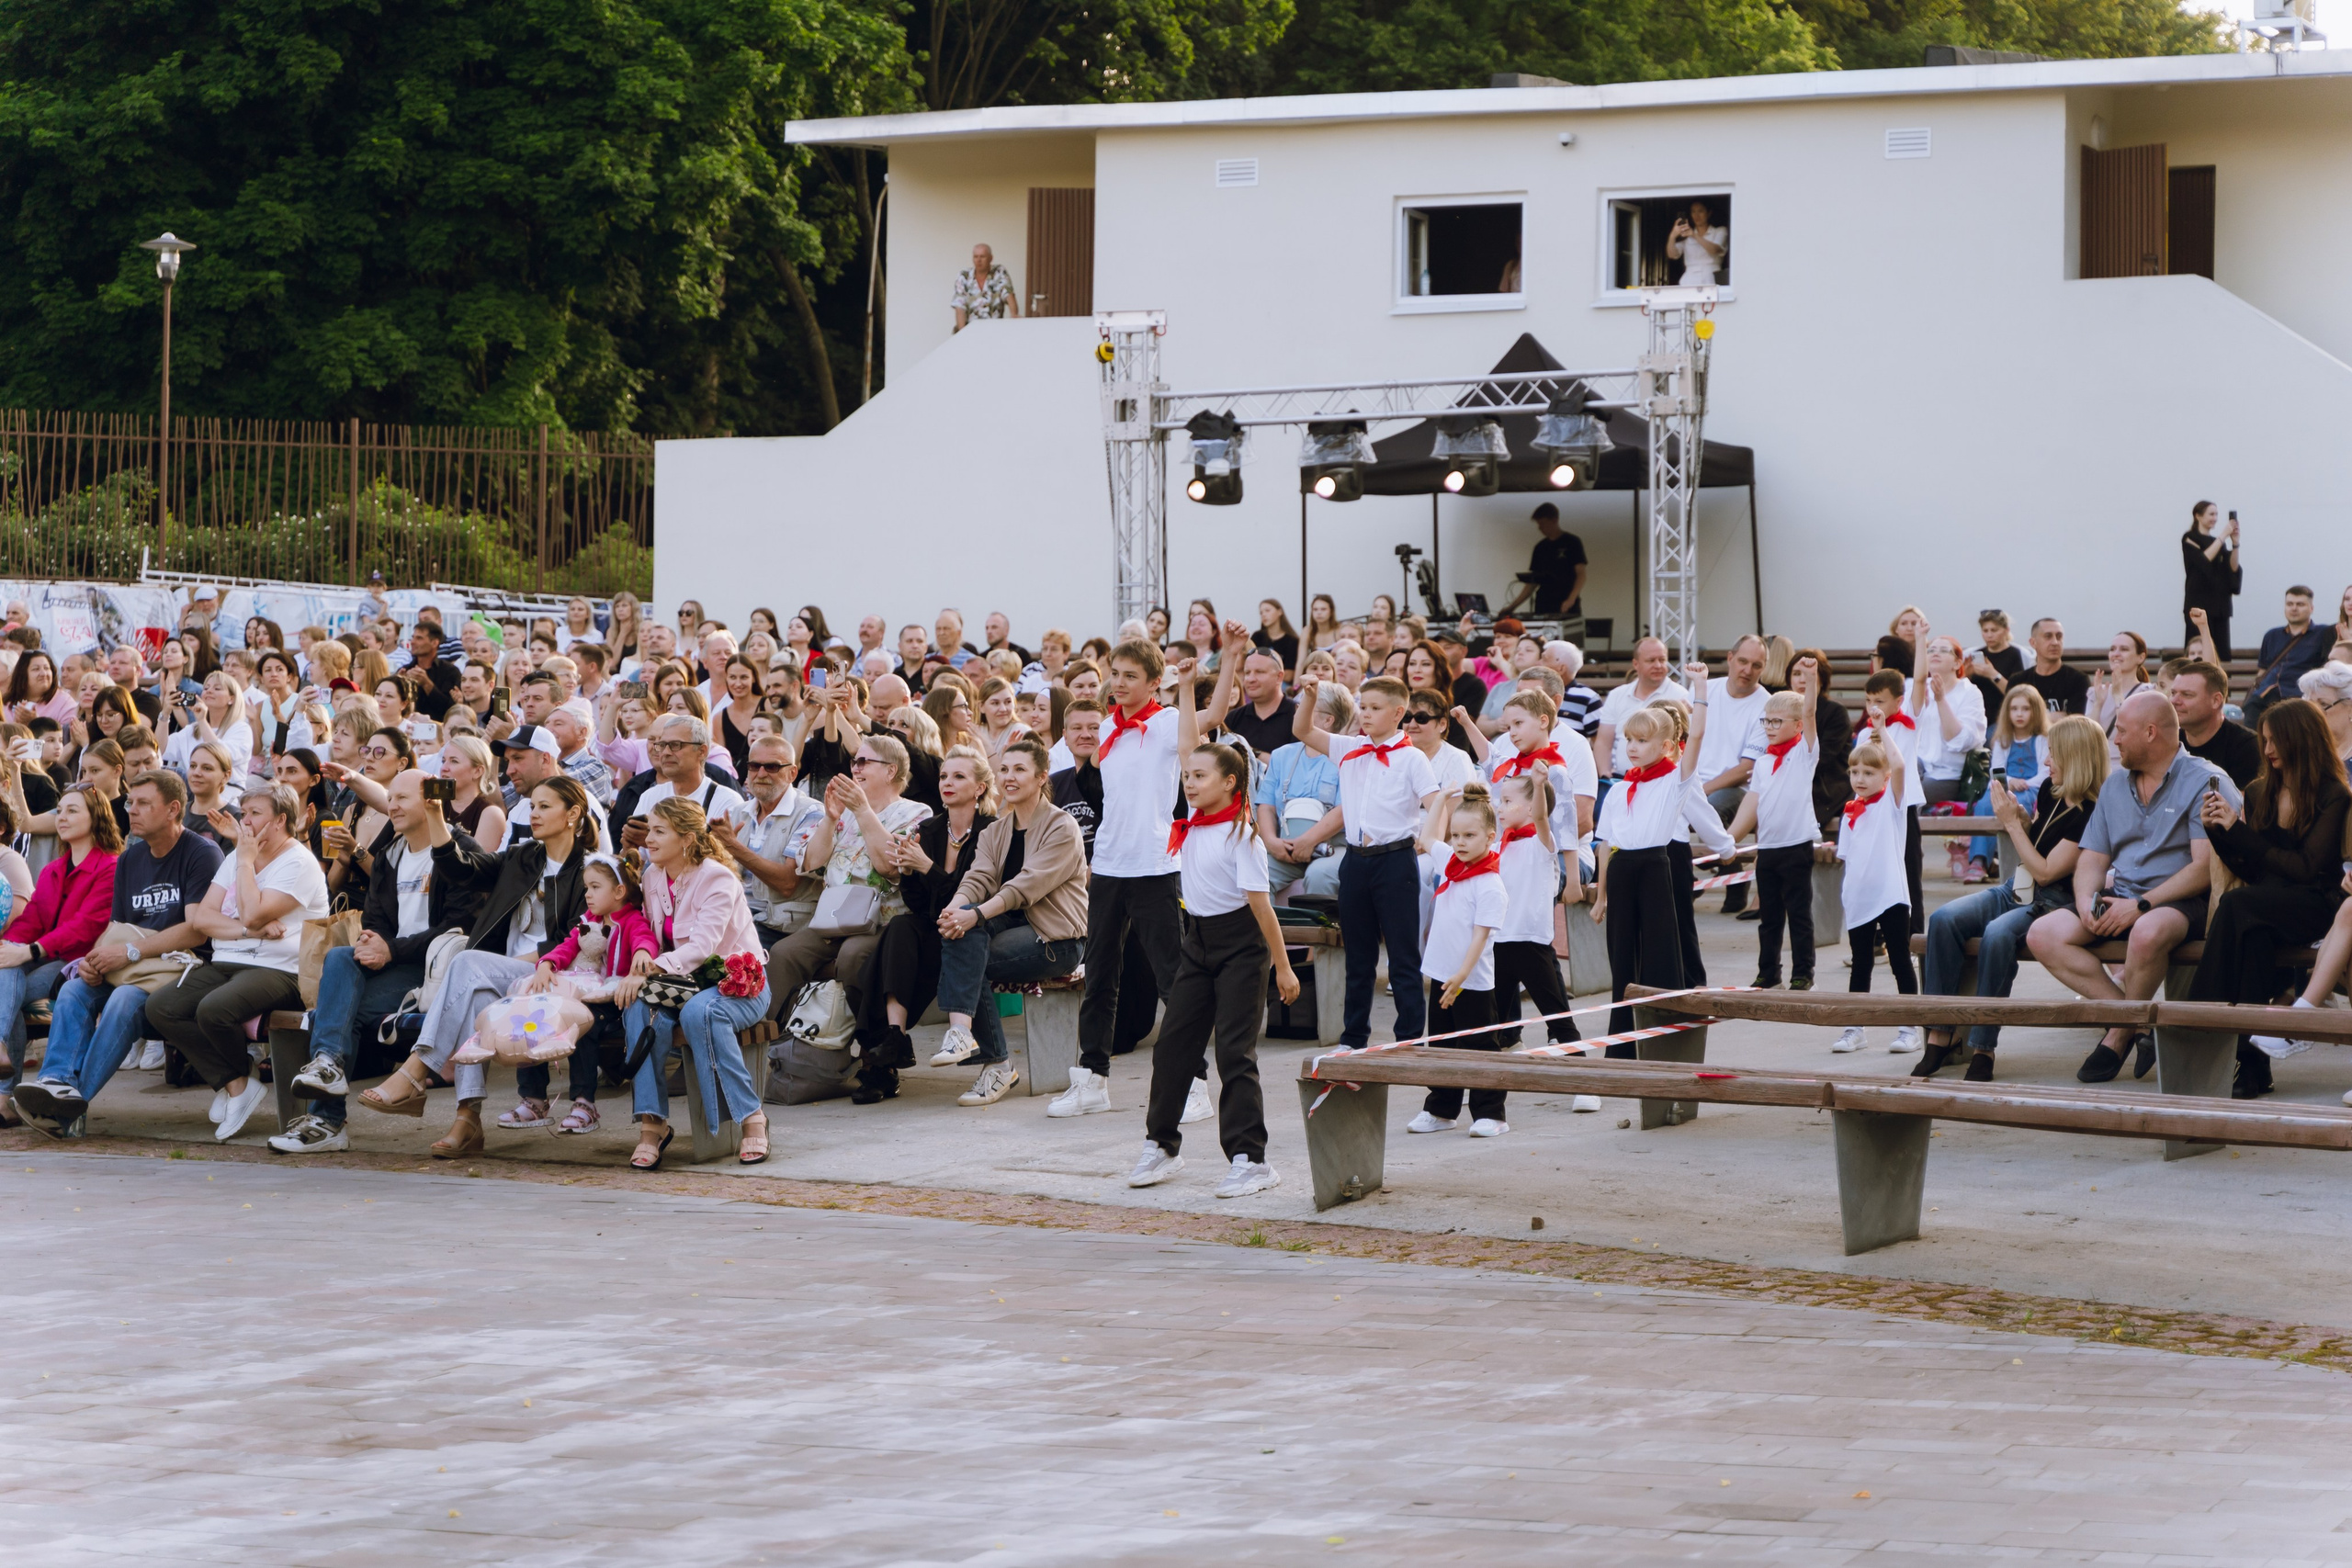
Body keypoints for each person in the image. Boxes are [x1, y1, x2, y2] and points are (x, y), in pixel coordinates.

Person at [358, 776, 599, 1154]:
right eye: (532, 806)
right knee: (474, 996)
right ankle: (467, 1121)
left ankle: (416, 1069)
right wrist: (436, 815)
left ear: (572, 814)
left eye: (544, 806)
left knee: (469, 962)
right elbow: (462, 869)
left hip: (551, 976)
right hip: (506, 976)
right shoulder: (523, 857)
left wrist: (500, 965)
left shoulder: (588, 869)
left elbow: (575, 938)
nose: (533, 814)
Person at [1124, 671, 1295, 1194]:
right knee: (1173, 1047)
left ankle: (1251, 1159)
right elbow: (1186, 744)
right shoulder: (1193, 821)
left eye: (1200, 776)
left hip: (1242, 947)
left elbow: (1263, 910)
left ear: (1231, 784)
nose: (1190, 782)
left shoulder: (1243, 837)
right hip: (1197, 943)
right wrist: (1183, 687)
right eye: (1187, 776)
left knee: (1234, 1054)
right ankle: (1160, 1146)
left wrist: (1283, 967)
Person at [273, 771, 497, 1153]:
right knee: (341, 956)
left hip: (436, 974)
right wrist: (369, 943)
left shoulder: (461, 851)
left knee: (338, 1011)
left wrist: (391, 949)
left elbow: (460, 926)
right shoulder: (390, 855)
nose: (392, 805)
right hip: (390, 968)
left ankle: (327, 1119)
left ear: (431, 802)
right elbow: (375, 920)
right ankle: (327, 1067)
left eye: (402, 798)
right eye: (390, 797)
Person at [2027, 690, 2236, 1083]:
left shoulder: (2206, 781)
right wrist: (2086, 901)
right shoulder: (2114, 785)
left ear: (2151, 732)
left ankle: (2119, 1032)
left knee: (2146, 931)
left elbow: (2203, 869)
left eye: (2121, 731)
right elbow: (2092, 857)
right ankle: (2138, 1022)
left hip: (2183, 900)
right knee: (2043, 934)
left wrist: (2141, 905)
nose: (2115, 739)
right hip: (2122, 894)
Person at [7, 771, 220, 1134]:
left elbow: (195, 928)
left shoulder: (201, 852)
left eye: (143, 803)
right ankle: (55, 1081)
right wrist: (95, 961)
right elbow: (115, 927)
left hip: (180, 968)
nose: (131, 810)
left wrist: (129, 952)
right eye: (130, 802)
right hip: (131, 962)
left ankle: (71, 1106)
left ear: (173, 809)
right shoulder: (130, 859)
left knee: (123, 999)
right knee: (74, 990)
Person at [1915, 715, 2107, 1081]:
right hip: (2016, 887)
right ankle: (1941, 1034)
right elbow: (2039, 843)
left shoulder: (2090, 813)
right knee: (1942, 919)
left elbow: (2047, 872)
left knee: (1998, 934)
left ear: (2076, 757)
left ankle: (1983, 1047)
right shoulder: (2052, 792)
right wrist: (2024, 820)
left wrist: (2010, 824)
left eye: (2053, 754)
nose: (2046, 761)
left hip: (2049, 904)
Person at [142, 784, 331, 1141]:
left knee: (214, 1009)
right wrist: (247, 931)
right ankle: (237, 1082)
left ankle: (236, 1085)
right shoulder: (236, 858)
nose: (245, 822)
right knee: (161, 1007)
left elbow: (255, 911)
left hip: (281, 969)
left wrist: (245, 863)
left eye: (255, 814)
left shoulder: (298, 862)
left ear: (281, 820)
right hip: (228, 960)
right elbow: (203, 919)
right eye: (244, 813)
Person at [2185, 700, 2349, 1098]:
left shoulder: (2333, 794)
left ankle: (2198, 1013)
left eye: (2276, 739)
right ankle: (2252, 1066)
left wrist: (2240, 833)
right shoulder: (2260, 791)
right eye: (2264, 739)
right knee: (2253, 937)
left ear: (2301, 739)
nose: (2269, 748)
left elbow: (2306, 868)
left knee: (2238, 906)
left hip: (2319, 904)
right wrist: (2220, 833)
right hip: (2268, 904)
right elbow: (2255, 869)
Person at [1058, 638, 1193, 1121]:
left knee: (1172, 979)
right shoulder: (1108, 726)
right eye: (1114, 673)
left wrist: (1195, 682)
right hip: (1109, 867)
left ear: (1155, 682)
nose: (1118, 683)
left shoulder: (1168, 721)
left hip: (1155, 865)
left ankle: (1194, 1083)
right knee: (1098, 976)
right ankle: (1092, 1079)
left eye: (1130, 675)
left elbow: (1208, 725)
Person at [922, 738, 1091, 1107]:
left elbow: (1025, 886)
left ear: (1041, 777)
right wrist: (955, 910)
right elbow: (977, 879)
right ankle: (963, 1036)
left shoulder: (1061, 827)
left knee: (971, 956)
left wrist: (975, 914)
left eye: (1019, 770)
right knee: (961, 933)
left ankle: (995, 1062)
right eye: (1003, 769)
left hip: (1056, 939)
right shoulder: (995, 831)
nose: (1008, 777)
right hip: (1009, 926)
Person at [617, 796, 773, 1168]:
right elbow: (652, 933)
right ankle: (653, 1124)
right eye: (650, 830)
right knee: (638, 1008)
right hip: (681, 984)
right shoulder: (652, 876)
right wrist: (643, 956)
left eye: (659, 832)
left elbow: (702, 948)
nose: (649, 840)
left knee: (701, 1013)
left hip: (738, 984)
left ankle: (752, 1117)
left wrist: (649, 968)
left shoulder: (716, 878)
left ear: (686, 839)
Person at [1294, 671, 1442, 1051]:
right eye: (1363, 706)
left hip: (1395, 861)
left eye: (1375, 708)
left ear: (1398, 713)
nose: (1366, 714)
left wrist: (1429, 840)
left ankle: (1409, 1039)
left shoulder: (1412, 758)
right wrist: (1310, 696)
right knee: (1358, 956)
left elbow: (1436, 803)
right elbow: (1302, 730)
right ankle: (1353, 1037)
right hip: (1355, 861)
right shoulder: (1349, 748)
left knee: (1402, 955)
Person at [761, 732, 931, 1039]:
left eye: (864, 761)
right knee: (783, 954)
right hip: (833, 919)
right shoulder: (845, 811)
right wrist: (830, 818)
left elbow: (889, 867)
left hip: (881, 923)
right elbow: (811, 863)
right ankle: (781, 1043)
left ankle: (873, 1046)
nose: (855, 768)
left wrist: (864, 811)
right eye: (854, 761)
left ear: (890, 771)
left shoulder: (916, 812)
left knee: (853, 957)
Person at [852, 748, 996, 1103]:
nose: (948, 782)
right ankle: (894, 1035)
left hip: (973, 927)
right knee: (900, 928)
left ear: (979, 788)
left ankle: (881, 1063)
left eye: (959, 777)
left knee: (883, 958)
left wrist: (926, 867)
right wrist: (908, 872)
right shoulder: (928, 829)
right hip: (933, 924)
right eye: (944, 776)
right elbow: (919, 904)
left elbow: (971, 895)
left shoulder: (991, 831)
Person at [1589, 672, 1711, 1037]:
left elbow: (1697, 737)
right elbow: (1606, 845)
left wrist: (1700, 689)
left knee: (1661, 951)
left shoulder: (1675, 781)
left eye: (1642, 740)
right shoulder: (1618, 789)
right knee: (1622, 957)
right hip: (1621, 870)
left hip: (1655, 866)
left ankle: (1666, 1031)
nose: (1632, 747)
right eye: (1629, 739)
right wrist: (1601, 895)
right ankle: (1623, 1038)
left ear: (1667, 746)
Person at [1401, 781, 1510, 1137]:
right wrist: (1442, 799)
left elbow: (1480, 937)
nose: (1460, 843)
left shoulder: (1490, 885)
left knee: (1481, 1047)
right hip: (1443, 975)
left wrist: (1461, 976)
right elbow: (1427, 836)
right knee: (1441, 1044)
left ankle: (1491, 1113)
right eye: (1456, 835)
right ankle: (1441, 1109)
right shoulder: (1450, 862)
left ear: (1490, 837)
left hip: (1472, 982)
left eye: (1469, 836)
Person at [0, 784, 121, 1090]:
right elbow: (32, 918)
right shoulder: (52, 869)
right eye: (60, 811)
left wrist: (29, 951)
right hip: (45, 955)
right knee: (5, 967)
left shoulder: (111, 867)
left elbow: (85, 927)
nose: (61, 817)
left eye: (72, 810)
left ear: (95, 817)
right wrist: (9, 945)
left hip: (76, 962)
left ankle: (3, 1094)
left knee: (6, 991)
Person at [1724, 660, 1822, 990]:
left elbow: (1810, 712)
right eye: (1766, 720)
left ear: (1797, 725)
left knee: (1799, 915)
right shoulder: (1764, 762)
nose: (1769, 727)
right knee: (1769, 918)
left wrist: (1810, 678)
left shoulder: (1805, 753)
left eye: (1777, 721)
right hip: (1767, 848)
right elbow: (1752, 802)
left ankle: (1803, 972)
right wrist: (1729, 838)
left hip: (1796, 847)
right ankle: (1768, 972)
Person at [1830, 710, 1918, 1054]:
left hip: (1891, 895)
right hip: (1859, 898)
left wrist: (1881, 729)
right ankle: (1855, 1028)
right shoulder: (1850, 812)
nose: (1860, 778)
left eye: (1869, 772)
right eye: (1855, 772)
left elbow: (1900, 765)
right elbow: (1849, 858)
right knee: (1860, 964)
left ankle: (1910, 1027)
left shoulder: (1892, 805)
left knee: (1900, 961)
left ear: (1884, 776)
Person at [711, 732, 827, 949]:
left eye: (772, 767)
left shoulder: (811, 813)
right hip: (734, 915)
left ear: (792, 773)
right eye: (754, 766)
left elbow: (787, 884)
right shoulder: (737, 812)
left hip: (780, 925)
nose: (761, 774)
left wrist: (733, 847)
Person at [1255, 683, 1350, 903]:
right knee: (1257, 870)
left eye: (1305, 707)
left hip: (1334, 846)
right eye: (1297, 707)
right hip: (1286, 845)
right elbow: (1266, 806)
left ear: (1328, 720)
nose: (1296, 713)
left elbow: (1344, 810)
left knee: (1320, 875)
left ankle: (1317, 927)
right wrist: (1271, 842)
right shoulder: (1282, 755)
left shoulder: (1347, 756)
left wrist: (1308, 841)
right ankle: (1267, 928)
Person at [1964, 685, 2050, 883]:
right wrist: (2010, 782)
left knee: (2019, 808)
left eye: (2026, 709)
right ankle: (1979, 860)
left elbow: (2045, 772)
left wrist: (2025, 783)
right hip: (2005, 787)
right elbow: (1996, 770)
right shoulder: (2003, 740)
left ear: (2036, 711)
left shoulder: (2042, 739)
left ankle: (2018, 862)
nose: (2019, 714)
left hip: (2030, 789)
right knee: (1985, 805)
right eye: (2014, 709)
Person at [1591, 638, 1688, 779]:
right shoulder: (1617, 695)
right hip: (1619, 778)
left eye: (1662, 660)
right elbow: (1603, 742)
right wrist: (1605, 774)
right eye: (1651, 660)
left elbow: (1686, 745)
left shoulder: (1681, 696)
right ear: (1636, 664)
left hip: (1663, 779)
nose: (1658, 665)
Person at [2169, 660, 2262, 789]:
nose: (2174, 701)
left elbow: (2244, 801)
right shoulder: (2168, 743)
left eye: (2187, 695)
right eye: (2173, 693)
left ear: (2216, 701)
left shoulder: (2246, 746)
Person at [2246, 585, 2332, 726]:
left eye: (2300, 604)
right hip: (2265, 696)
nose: (2294, 608)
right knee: (2251, 718)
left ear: (2311, 608)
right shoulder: (2271, 635)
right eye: (2289, 604)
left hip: (2299, 696)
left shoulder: (2323, 633)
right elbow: (2262, 670)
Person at [1498, 504, 1587, 619]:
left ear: (1554, 520)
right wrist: (1512, 607)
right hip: (1543, 602)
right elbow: (1532, 583)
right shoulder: (1540, 547)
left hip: (1566, 601)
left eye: (1542, 523)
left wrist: (1571, 599)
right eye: (1538, 524)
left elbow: (1581, 574)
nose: (1540, 528)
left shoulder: (1572, 542)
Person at [2182, 502, 2242, 660]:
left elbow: (2232, 568)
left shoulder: (2218, 542)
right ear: (2198, 516)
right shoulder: (2189, 538)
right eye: (2211, 514)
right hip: (2199, 602)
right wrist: (2223, 535)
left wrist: (2235, 543)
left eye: (2216, 514)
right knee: (2198, 648)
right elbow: (2203, 561)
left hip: (2220, 605)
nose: (2214, 518)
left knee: (2221, 653)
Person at [1221, 647, 1295, 759]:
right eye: (1247, 673)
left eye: (1259, 672)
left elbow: (1297, 764)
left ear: (1279, 677)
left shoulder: (1298, 716)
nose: (1250, 679)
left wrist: (1250, 752)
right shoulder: (1233, 719)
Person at [2011, 618, 2089, 716]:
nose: (2055, 642)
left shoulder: (2078, 680)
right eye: (2048, 636)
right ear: (2033, 643)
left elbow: (2077, 719)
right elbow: (2010, 718)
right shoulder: (2018, 681)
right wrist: (2060, 715)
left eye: (2059, 637)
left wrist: (2032, 718)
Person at [1667, 198, 1726, 285]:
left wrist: (1694, 235)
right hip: (1689, 280)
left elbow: (1714, 250)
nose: (1696, 215)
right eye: (1693, 212)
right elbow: (1672, 255)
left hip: (1711, 278)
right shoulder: (1686, 235)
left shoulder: (1720, 231)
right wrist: (1672, 236)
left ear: (1709, 213)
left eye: (1700, 211)